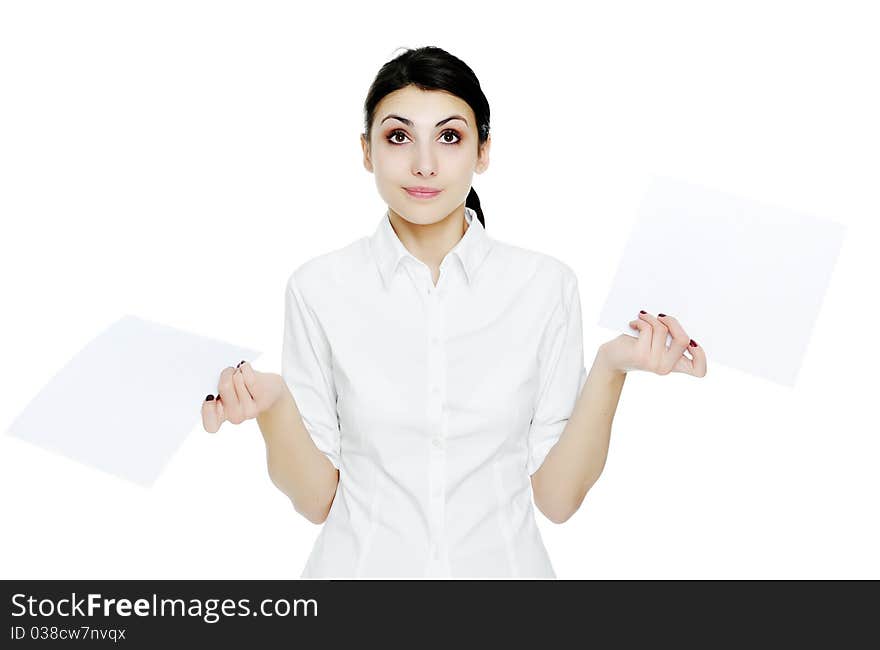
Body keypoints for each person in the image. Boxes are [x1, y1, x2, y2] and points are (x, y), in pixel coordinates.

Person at [201, 45, 707, 579]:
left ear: (483, 151)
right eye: (398, 137)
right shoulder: (318, 288)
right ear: (367, 151)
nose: (424, 164)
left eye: (449, 137)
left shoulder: (544, 287)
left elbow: (558, 500)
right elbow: (315, 501)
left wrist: (610, 367)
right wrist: (275, 407)